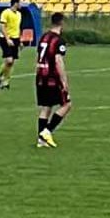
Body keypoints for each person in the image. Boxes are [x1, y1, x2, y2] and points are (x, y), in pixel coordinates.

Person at [36, 13, 72, 148]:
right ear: (62, 23)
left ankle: (41, 140)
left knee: (46, 107)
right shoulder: (58, 41)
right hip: (52, 77)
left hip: (40, 75)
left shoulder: (43, 37)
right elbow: (58, 61)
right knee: (67, 105)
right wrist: (64, 81)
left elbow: (38, 57)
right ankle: (47, 131)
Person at [0, 0, 23, 90]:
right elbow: (2, 27)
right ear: (15, 3)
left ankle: (5, 81)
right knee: (9, 60)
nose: (21, 5)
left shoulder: (19, 14)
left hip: (15, 38)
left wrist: (20, 40)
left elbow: (17, 28)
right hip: (6, 39)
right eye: (20, 3)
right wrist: (7, 39)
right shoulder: (6, 13)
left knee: (11, 62)